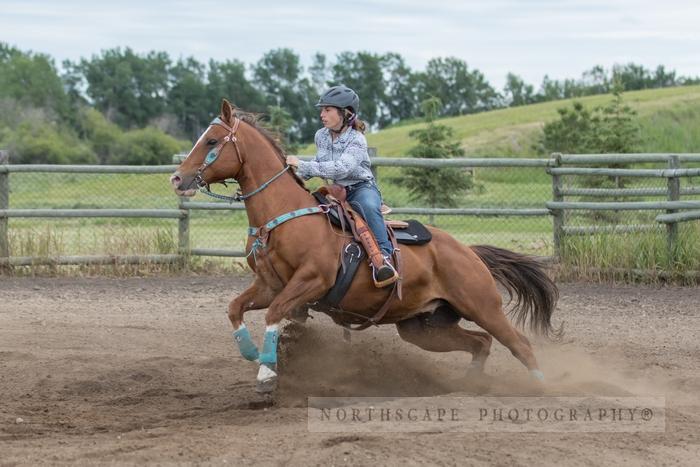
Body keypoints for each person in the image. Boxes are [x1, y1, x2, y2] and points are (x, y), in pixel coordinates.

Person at [286, 85, 398, 287]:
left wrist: (302, 164)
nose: (322, 114)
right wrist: (292, 170)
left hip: (360, 188)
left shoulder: (357, 139)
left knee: (369, 208)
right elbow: (320, 162)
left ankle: (384, 258)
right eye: (322, 110)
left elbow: (341, 169)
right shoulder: (321, 135)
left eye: (327, 110)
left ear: (345, 113)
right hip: (335, 190)